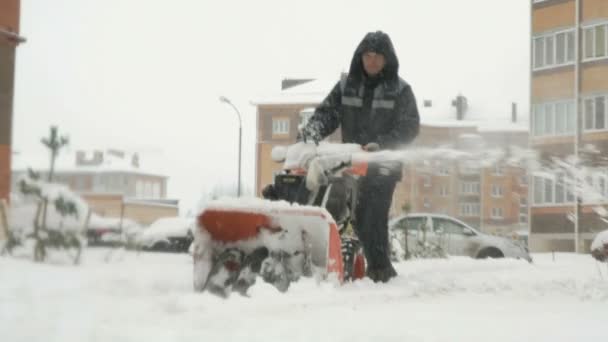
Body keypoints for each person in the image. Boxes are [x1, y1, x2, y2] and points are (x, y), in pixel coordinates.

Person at [298, 30, 420, 282]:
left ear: (388, 59)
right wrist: (312, 131)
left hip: (382, 166)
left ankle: (380, 271)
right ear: (360, 57)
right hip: (349, 164)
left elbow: (410, 127)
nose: (372, 61)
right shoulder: (346, 86)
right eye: (368, 55)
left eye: (378, 56)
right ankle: (333, 263)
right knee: (336, 211)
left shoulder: (400, 90)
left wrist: (383, 144)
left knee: (370, 217)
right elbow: (327, 114)